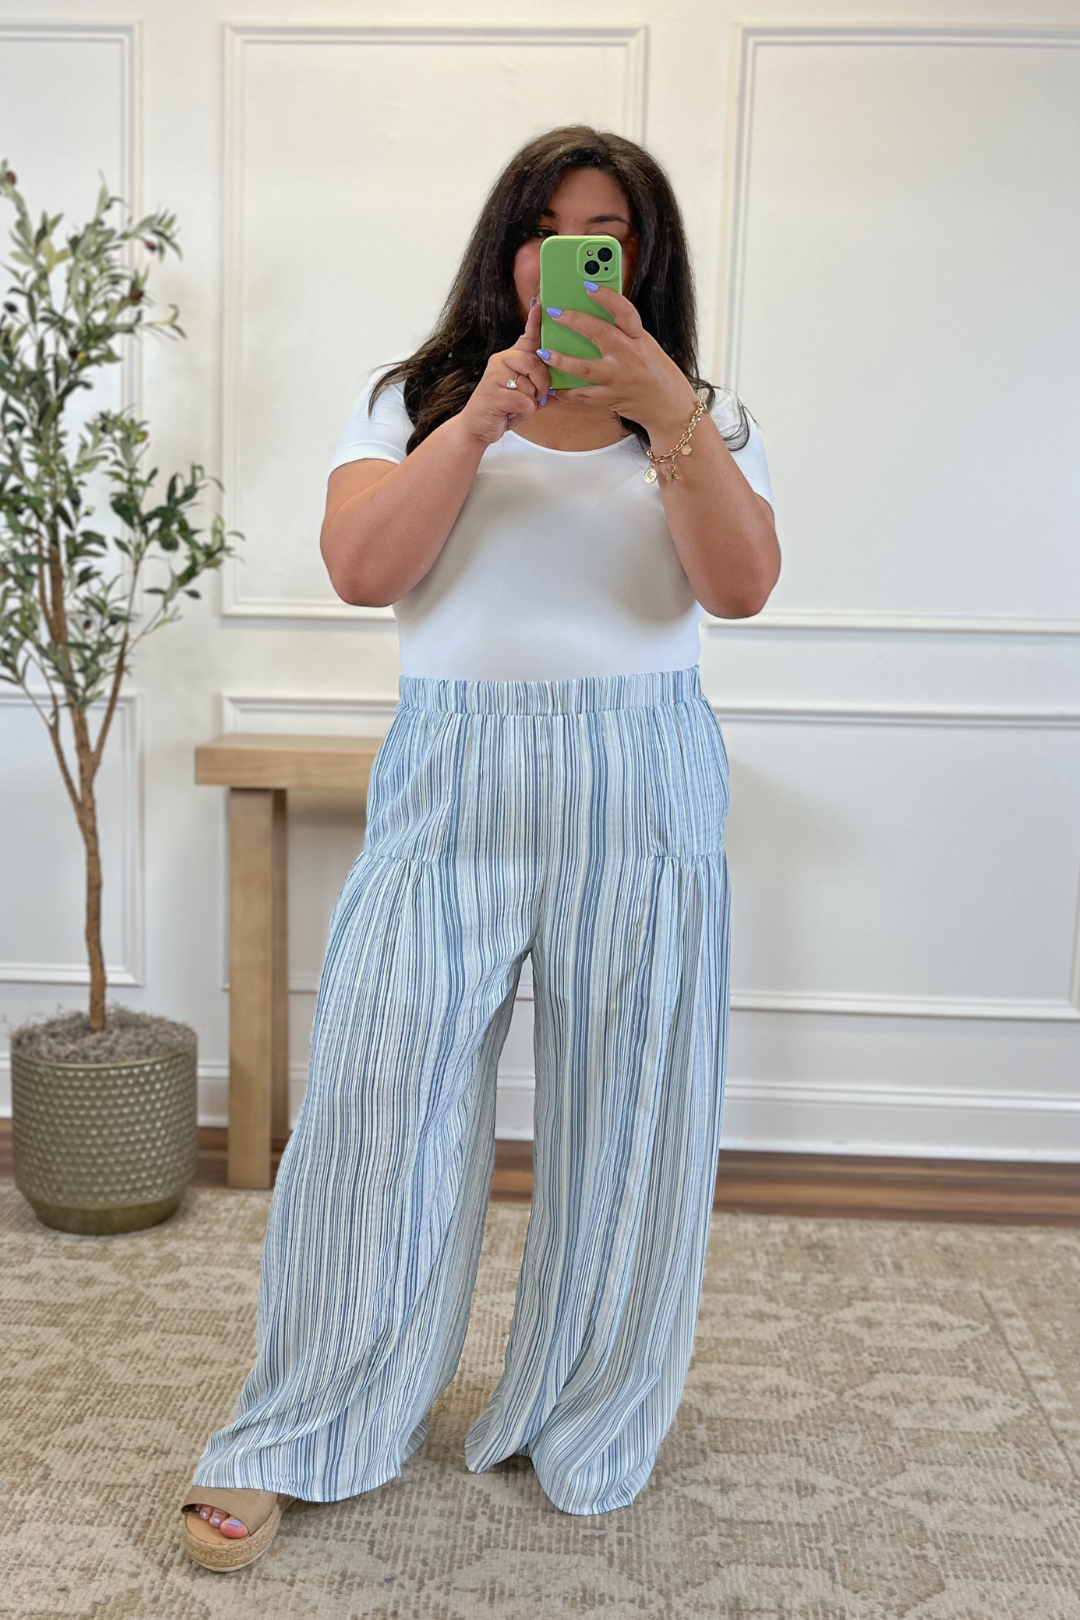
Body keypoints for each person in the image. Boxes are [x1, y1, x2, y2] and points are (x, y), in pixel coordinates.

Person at [180, 124, 779, 1570]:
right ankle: (303, 1424)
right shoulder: (411, 400)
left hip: (641, 788)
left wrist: (668, 413)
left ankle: (590, 1411)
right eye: (547, 230)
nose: (571, 256)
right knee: (375, 1108)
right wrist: (477, 424)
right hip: (452, 786)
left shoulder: (702, 414)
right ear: (508, 247)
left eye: (605, 235)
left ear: (643, 257)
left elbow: (742, 587)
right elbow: (361, 568)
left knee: (632, 1118)